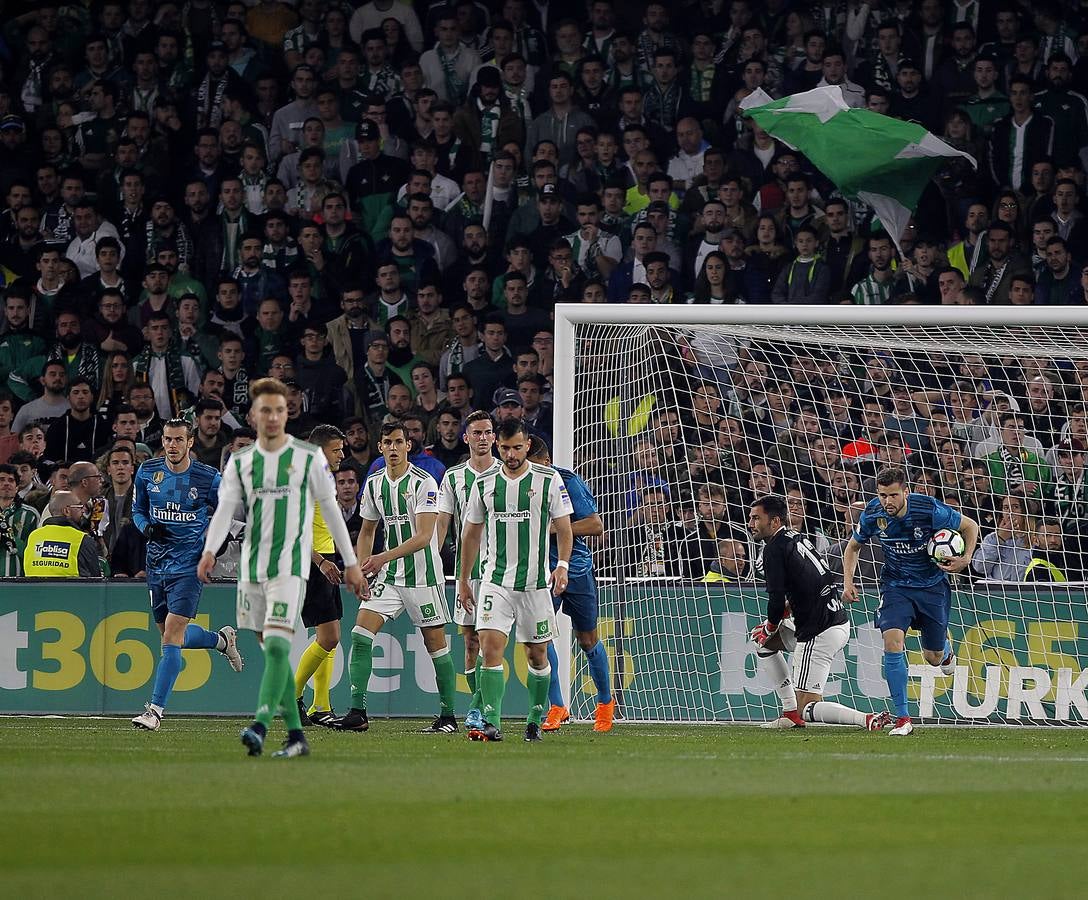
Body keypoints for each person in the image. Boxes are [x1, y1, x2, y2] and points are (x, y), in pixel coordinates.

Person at [198, 378, 364, 759]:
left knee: (277, 646)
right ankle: (295, 735)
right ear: (253, 415)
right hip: (252, 568)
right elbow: (224, 510)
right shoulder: (241, 462)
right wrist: (209, 551)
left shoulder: (308, 459)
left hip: (291, 566)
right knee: (270, 652)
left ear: (286, 414)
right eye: (265, 410)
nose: (272, 417)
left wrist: (351, 563)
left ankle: (260, 724)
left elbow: (332, 513)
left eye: (278, 410)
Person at [329, 420, 456, 735]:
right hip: (389, 578)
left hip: (423, 577)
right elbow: (367, 531)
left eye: (399, 442)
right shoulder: (374, 483)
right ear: (380, 447)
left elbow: (424, 536)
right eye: (388, 443)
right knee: (360, 634)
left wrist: (381, 557)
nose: (394, 448)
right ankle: (357, 712)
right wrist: (360, 569)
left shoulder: (424, 483)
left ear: (408, 446)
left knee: (436, 646)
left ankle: (448, 717)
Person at [457, 418, 574, 742]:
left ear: (527, 445)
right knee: (490, 647)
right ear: (498, 445)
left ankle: (535, 718)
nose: (511, 454)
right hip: (495, 582)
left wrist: (562, 565)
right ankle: (491, 721)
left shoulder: (548, 480)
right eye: (506, 448)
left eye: (517, 448)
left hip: (535, 585)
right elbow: (470, 534)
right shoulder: (484, 483)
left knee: (537, 656)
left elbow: (565, 528)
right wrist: (464, 579)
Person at [841, 466, 980, 736]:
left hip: (932, 588)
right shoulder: (873, 513)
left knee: (933, 657)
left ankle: (945, 650)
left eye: (893, 495)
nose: (887, 501)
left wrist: (966, 559)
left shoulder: (928, 509)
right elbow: (853, 547)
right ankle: (903, 718)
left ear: (906, 491)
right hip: (895, 587)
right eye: (882, 495)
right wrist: (848, 582)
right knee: (892, 642)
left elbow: (970, 526)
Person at [130, 419, 244, 731]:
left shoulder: (208, 478)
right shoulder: (148, 472)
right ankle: (221, 640)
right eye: (168, 439)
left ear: (190, 442)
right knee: (171, 637)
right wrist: (147, 528)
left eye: (179, 439)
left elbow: (225, 513)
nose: (172, 445)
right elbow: (137, 511)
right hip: (156, 565)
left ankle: (154, 711)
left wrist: (215, 544)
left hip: (189, 567)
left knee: (171, 635)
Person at [748, 494, 891, 731]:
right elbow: (807, 585)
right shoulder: (796, 538)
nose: (751, 523)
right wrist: (772, 626)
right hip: (833, 619)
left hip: (818, 630)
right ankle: (789, 713)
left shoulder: (774, 549)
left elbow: (776, 600)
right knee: (762, 642)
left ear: (774, 521)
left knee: (807, 707)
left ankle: (866, 719)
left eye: (756, 518)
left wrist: (771, 625)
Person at [527, 440, 614, 734]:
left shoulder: (567, 480)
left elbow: (595, 525)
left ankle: (605, 703)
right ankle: (557, 706)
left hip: (575, 570)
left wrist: (558, 528)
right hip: (539, 572)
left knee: (587, 640)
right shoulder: (518, 483)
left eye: (535, 466)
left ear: (547, 461)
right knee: (540, 638)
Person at [435, 410, 500, 732]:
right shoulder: (453, 477)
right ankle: (479, 708)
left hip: (499, 570)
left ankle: (480, 709)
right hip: (468, 570)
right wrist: (433, 558)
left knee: (491, 643)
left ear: (495, 437)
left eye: (487, 432)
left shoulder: (506, 474)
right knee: (471, 642)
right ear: (466, 438)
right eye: (477, 433)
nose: (483, 438)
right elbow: (442, 523)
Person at [293, 425, 350, 727]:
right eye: (336, 449)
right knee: (329, 637)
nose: (342, 454)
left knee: (328, 637)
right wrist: (320, 562)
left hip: (324, 559)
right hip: (312, 563)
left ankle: (321, 705)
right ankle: (291, 696)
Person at [22, 490, 102, 577]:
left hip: (34, 586)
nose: (83, 511)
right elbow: (95, 579)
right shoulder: (82, 540)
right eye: (79, 506)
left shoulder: (33, 536)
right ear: (66, 511)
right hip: (71, 586)